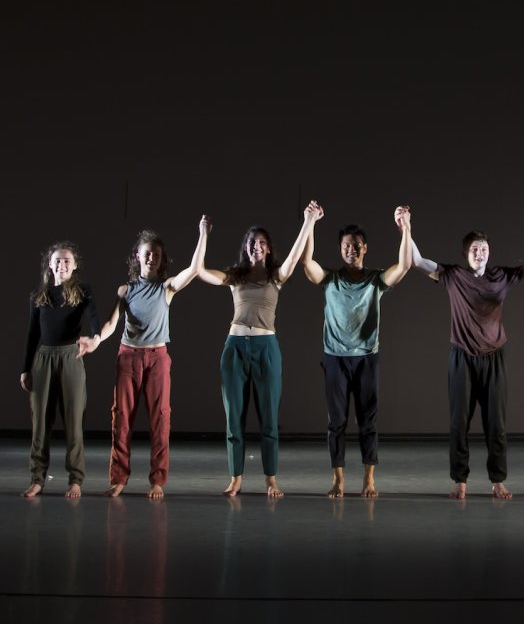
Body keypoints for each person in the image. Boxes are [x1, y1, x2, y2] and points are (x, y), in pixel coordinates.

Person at [198, 201, 324, 498]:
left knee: (269, 418)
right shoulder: (234, 277)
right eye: (252, 242)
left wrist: (309, 221)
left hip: (266, 347)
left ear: (268, 249)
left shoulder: (276, 276)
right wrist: (203, 234)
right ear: (246, 248)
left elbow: (294, 259)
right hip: (235, 347)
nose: (257, 246)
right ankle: (235, 478)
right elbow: (200, 271)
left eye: (262, 243)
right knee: (234, 419)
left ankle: (271, 480)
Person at [410, 221, 524, 500]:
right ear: (465, 254)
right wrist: (406, 226)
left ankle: (498, 481)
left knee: (496, 424)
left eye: (484, 249)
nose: (480, 253)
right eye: (474, 249)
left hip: (494, 358)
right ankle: (460, 481)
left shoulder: (502, 276)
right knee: (459, 422)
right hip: (462, 358)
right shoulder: (453, 275)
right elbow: (416, 261)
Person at [90, 215, 211, 499]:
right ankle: (118, 478)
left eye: (156, 255)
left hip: (157, 357)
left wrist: (202, 233)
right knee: (121, 419)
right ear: (138, 256)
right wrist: (95, 341)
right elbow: (110, 324)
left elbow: (194, 269)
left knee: (160, 418)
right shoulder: (126, 290)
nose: (151, 258)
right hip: (128, 357)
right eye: (147, 254)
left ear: (161, 259)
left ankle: (157, 480)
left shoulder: (165, 288)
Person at [302, 205, 412, 498]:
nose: (352, 250)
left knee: (367, 421)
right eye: (346, 246)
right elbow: (307, 262)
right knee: (336, 421)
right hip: (335, 358)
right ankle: (338, 480)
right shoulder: (330, 279)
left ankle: (369, 479)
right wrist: (310, 222)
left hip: (366, 357)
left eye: (356, 245)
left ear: (365, 248)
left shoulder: (375, 279)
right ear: (341, 250)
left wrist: (405, 229)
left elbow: (403, 267)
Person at [19, 241, 101, 498]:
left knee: (73, 421)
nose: (62, 264)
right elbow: (32, 334)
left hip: (70, 356)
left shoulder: (83, 291)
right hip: (43, 358)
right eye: (57, 260)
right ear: (50, 265)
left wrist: (96, 337)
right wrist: (25, 368)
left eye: (67, 260)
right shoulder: (39, 296)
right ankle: (37, 478)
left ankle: (75, 479)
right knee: (40, 422)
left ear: (74, 265)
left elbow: (95, 318)